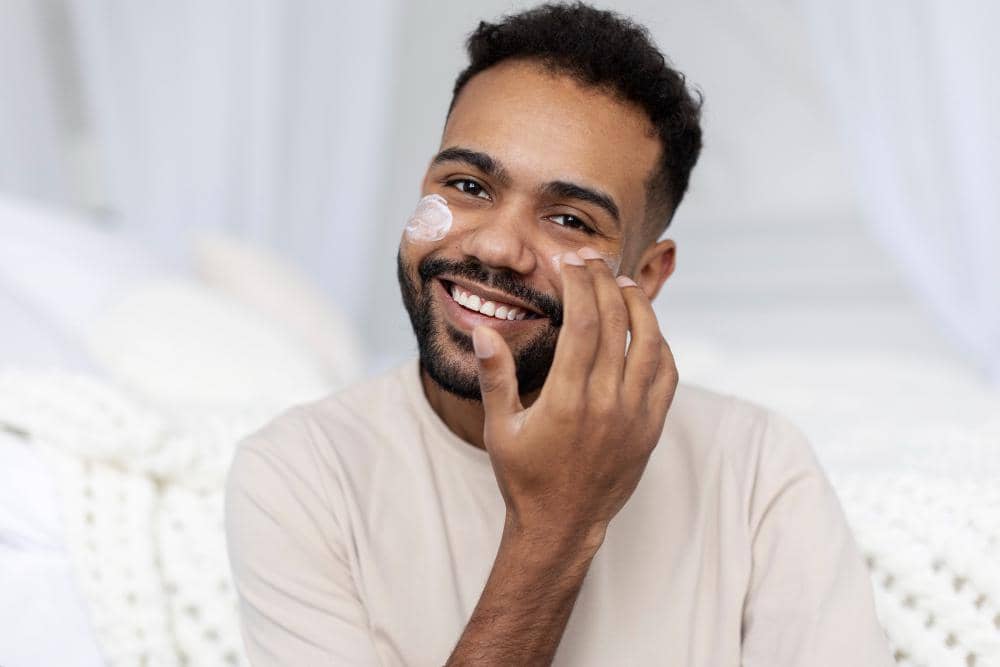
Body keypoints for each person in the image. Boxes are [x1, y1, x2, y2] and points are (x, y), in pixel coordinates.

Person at [224, 3, 894, 665]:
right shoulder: (297, 474)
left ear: (647, 276)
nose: (495, 246)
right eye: (466, 184)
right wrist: (556, 529)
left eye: (570, 220)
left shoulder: (757, 469)